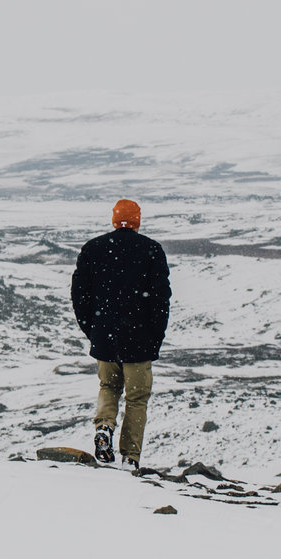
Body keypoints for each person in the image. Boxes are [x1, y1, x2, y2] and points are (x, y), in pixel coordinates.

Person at [70, 198, 171, 467]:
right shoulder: (151, 250)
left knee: (108, 386)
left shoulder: (94, 248)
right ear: (137, 220)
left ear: (115, 220)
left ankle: (104, 426)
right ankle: (130, 457)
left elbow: (79, 295)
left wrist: (93, 330)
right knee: (137, 398)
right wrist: (155, 337)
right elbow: (161, 299)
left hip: (105, 336)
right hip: (139, 340)